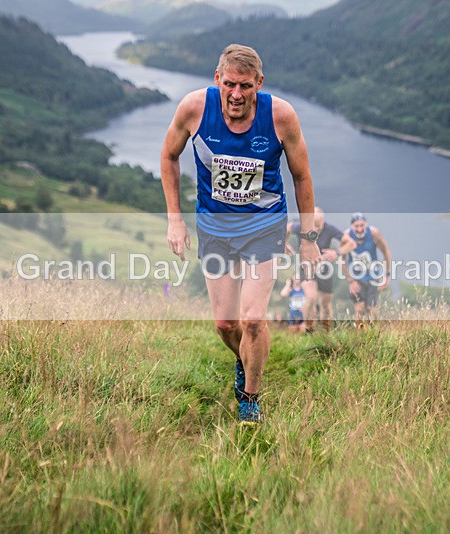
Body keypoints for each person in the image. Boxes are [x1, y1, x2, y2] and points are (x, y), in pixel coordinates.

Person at [161, 43, 319, 426]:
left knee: (252, 320)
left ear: (259, 84)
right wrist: (175, 219)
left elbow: (301, 176)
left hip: (263, 227)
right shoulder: (194, 109)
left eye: (245, 86)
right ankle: (245, 360)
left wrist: (308, 239)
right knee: (226, 325)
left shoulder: (281, 116)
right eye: (229, 84)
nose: (236, 94)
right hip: (214, 229)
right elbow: (168, 156)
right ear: (217, 79)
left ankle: (250, 396)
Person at [286, 207, 343, 330]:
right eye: (314, 226)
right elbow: (288, 227)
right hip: (306, 268)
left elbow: (348, 242)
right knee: (311, 297)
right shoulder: (301, 227)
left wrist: (337, 253)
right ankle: (309, 329)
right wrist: (284, 244)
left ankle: (327, 333)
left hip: (324, 269)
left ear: (323, 222)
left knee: (326, 304)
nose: (316, 229)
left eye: (319, 226)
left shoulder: (329, 229)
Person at [341, 212, 392, 322]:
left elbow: (386, 252)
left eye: (362, 225)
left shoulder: (373, 233)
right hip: (356, 278)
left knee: (371, 309)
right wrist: (351, 280)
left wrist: (386, 276)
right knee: (360, 308)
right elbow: (341, 259)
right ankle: (360, 336)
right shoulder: (346, 236)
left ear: (366, 224)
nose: (359, 229)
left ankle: (376, 333)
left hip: (373, 276)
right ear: (351, 226)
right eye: (356, 226)